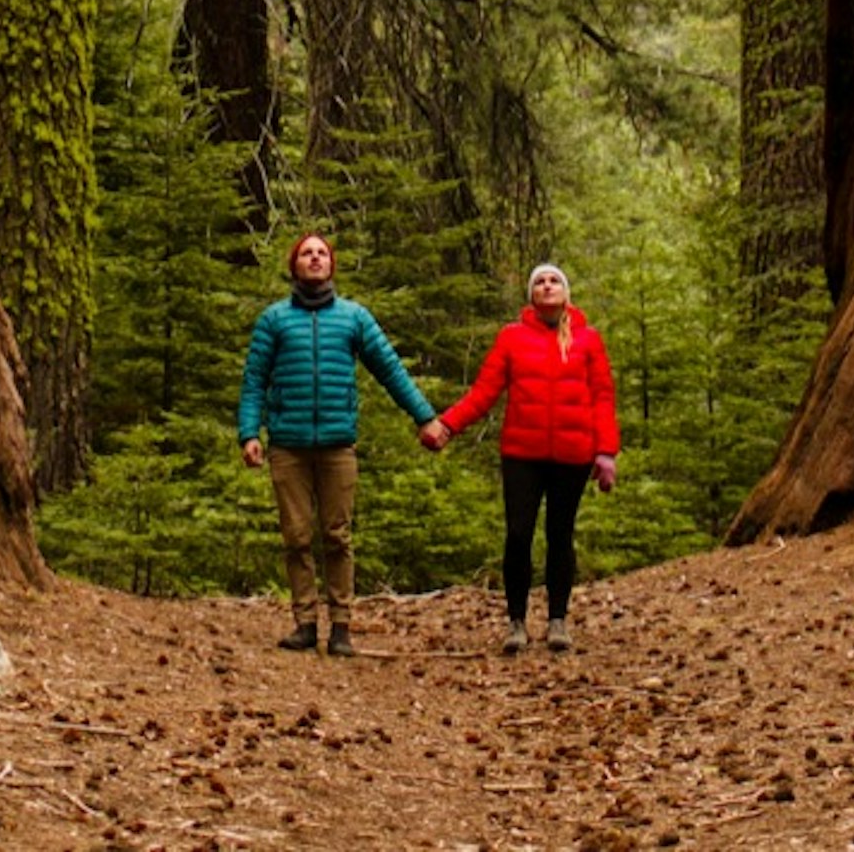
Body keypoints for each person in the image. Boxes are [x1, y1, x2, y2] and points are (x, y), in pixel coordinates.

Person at [238, 231, 440, 655]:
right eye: (306, 254)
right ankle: (305, 622)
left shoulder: (354, 318)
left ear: (332, 264)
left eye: (321, 253)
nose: (314, 259)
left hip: (337, 445)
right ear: (294, 266)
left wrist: (425, 417)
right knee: (295, 536)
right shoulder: (274, 320)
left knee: (337, 535)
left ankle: (342, 625)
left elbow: (390, 370)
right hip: (288, 446)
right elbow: (254, 379)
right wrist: (249, 433)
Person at [426, 261, 619, 653]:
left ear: (566, 293)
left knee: (560, 536)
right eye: (540, 282)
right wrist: (448, 425)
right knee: (518, 535)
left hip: (573, 454)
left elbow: (602, 397)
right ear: (531, 295)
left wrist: (606, 453)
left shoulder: (588, 339)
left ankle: (557, 621)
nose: (547, 287)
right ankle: (516, 621)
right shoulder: (512, 338)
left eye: (554, 282)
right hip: (522, 454)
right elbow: (484, 392)